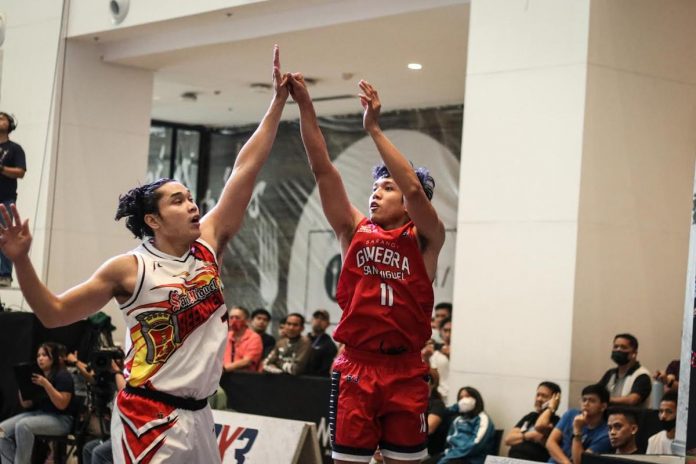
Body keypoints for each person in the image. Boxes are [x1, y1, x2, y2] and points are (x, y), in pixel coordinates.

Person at [0, 46, 290, 463]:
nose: (192, 205)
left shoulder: (208, 242)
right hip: (149, 415)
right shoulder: (130, 268)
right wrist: (22, 260)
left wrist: (276, 104)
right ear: (153, 220)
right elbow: (54, 313)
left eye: (191, 198)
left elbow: (244, 169)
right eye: (178, 201)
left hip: (202, 414)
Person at [289, 75, 445, 463]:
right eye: (375, 187)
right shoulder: (353, 229)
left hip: (406, 367)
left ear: (411, 203)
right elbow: (323, 169)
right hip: (358, 365)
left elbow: (412, 186)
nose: (376, 192)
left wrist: (373, 128)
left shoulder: (427, 236)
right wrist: (306, 107)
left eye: (386, 187)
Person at [0, 342, 76, 464]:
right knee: (1, 430)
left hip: (61, 419)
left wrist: (46, 385)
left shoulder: (63, 375)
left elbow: (62, 405)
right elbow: (26, 405)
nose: (40, 358)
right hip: (39, 414)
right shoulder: (37, 376)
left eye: (45, 355)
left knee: (23, 425)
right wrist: (23, 385)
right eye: (38, 355)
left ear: (54, 358)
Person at [546, 384, 612, 464]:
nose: (586, 404)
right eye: (584, 400)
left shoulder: (605, 434)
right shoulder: (571, 414)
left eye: (592, 401)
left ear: (603, 406)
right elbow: (550, 442)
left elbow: (580, 462)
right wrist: (566, 463)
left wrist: (577, 430)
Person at [81, 358, 127, 464]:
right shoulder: (107, 380)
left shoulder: (127, 380)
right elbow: (92, 379)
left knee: (99, 453)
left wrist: (117, 372)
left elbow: (125, 394)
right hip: (113, 432)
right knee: (88, 448)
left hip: (126, 436)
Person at [436, 386, 496, 464]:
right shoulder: (458, 419)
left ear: (476, 398)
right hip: (452, 454)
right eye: (461, 398)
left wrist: (450, 456)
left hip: (472, 459)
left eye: (467, 396)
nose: (464, 400)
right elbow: (449, 440)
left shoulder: (483, 418)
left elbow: (476, 444)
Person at [505, 381, 561, 462]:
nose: (539, 399)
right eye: (538, 395)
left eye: (544, 396)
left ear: (554, 399)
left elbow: (540, 425)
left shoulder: (556, 421)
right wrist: (528, 435)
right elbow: (508, 440)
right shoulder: (530, 416)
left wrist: (551, 408)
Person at [0, 112, 26, 287]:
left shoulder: (14, 148)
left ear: (9, 124)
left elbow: (21, 172)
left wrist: (1, 168)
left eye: (2, 118)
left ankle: (4, 274)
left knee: (5, 237)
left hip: (6, 199)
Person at [598, 333, 651, 407]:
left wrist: (605, 400)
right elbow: (596, 393)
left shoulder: (642, 375)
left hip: (630, 417)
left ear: (634, 353)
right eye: (615, 347)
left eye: (623, 347)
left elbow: (632, 400)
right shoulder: (610, 373)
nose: (618, 350)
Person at [223, 306, 263, 373]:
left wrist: (224, 369)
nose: (234, 320)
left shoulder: (254, 338)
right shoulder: (226, 336)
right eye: (231, 317)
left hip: (244, 378)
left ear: (247, 320)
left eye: (237, 318)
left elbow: (247, 361)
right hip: (224, 376)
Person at [306, 309, 338, 376]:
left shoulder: (329, 346)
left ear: (328, 324)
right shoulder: (303, 339)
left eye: (323, 319)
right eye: (316, 317)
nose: (319, 320)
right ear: (311, 320)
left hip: (314, 382)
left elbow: (325, 372)